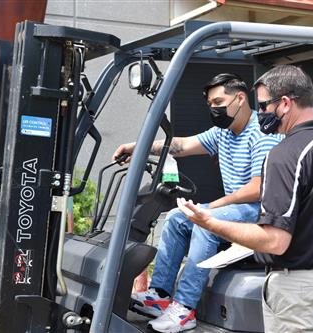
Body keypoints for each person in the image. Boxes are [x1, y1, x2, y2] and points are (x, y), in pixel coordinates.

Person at [177, 65, 313, 332]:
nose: (260, 113)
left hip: (300, 293)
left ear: (285, 103)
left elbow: (275, 241)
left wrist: (210, 223)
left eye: (263, 106)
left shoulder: (284, 154)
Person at [112, 73, 283, 333]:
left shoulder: (261, 132)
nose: (214, 109)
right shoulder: (222, 133)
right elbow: (180, 145)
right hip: (237, 208)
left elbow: (260, 187)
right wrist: (138, 147)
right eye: (210, 105)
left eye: (218, 101)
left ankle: (184, 309)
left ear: (240, 98)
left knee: (204, 221)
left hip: (263, 212)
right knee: (177, 218)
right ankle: (159, 295)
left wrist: (213, 207)